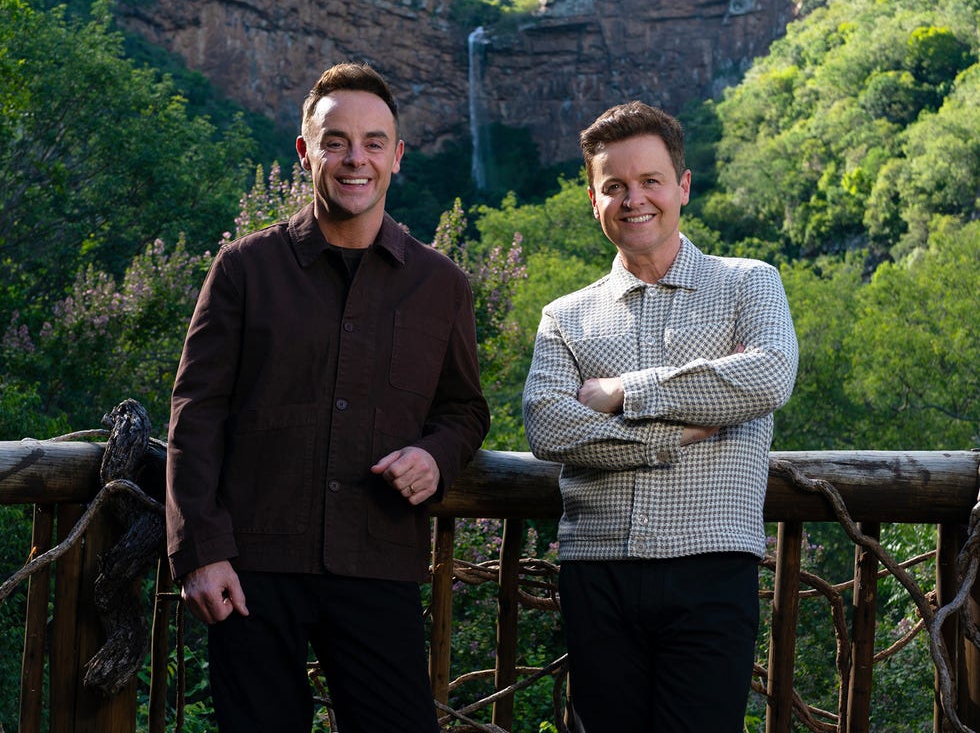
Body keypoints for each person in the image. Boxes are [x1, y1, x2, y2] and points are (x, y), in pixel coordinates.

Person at [166, 62, 490, 733]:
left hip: (380, 562)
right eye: (335, 141)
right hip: (251, 569)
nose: (354, 159)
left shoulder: (442, 285)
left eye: (373, 143)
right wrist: (200, 549)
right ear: (305, 151)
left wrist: (436, 456)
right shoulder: (244, 269)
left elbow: (464, 409)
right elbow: (196, 414)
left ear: (397, 156)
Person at [522, 101, 798, 731]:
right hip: (596, 573)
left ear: (683, 187)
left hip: (712, 567)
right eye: (614, 186)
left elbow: (768, 375)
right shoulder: (565, 316)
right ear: (593, 200)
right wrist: (674, 436)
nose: (634, 199)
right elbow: (547, 422)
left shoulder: (750, 284)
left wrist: (624, 391)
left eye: (650, 180)